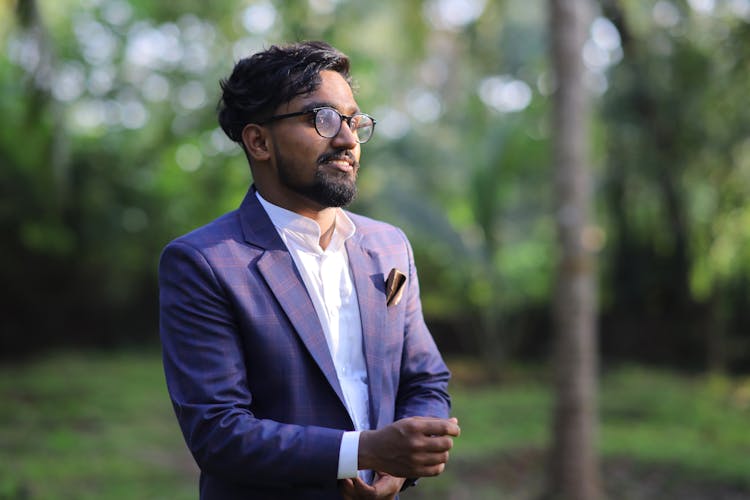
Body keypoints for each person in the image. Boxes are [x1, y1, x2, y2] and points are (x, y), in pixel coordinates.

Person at [159, 40, 459, 500]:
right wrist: (366, 450)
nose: (347, 139)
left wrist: (399, 466)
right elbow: (218, 433)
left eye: (353, 121)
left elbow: (424, 378)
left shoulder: (388, 245)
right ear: (258, 140)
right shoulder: (205, 262)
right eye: (321, 119)